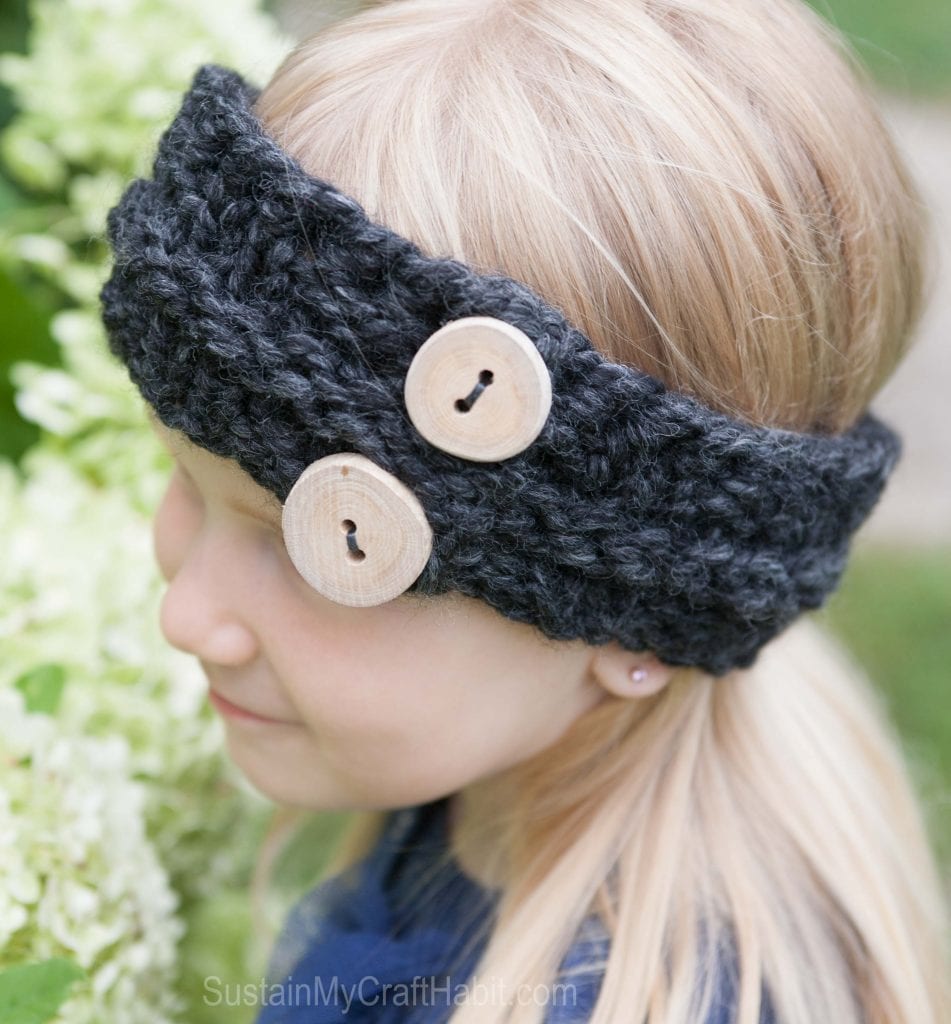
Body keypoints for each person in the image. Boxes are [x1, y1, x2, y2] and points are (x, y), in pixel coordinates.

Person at [99, 0, 951, 1021]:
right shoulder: (514, 783)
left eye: (328, 541)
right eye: (185, 482)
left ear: (643, 609)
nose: (186, 614)